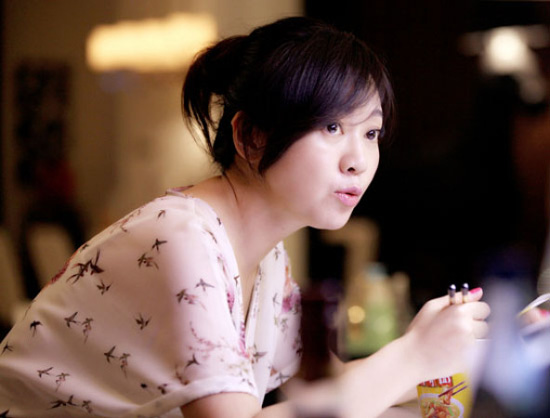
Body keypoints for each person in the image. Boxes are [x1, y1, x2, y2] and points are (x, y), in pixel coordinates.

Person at [0, 16, 490, 417]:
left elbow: (333, 389)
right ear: (251, 137)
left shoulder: (269, 261)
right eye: (332, 126)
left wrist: (446, 355)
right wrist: (412, 356)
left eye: (371, 133)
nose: (358, 161)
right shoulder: (181, 238)